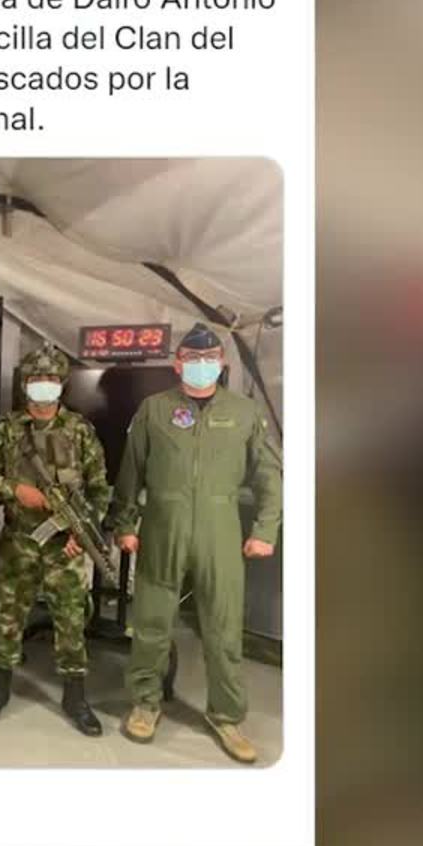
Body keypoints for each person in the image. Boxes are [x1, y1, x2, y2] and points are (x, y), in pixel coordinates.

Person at [110, 323, 281, 761]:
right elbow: (131, 471)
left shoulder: (244, 413)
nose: (201, 365)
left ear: (221, 363)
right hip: (162, 525)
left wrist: (265, 531)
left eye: (208, 358)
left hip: (219, 528)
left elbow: (269, 475)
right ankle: (146, 703)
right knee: (151, 621)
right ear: (177, 364)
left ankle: (226, 715)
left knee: (223, 627)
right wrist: (125, 523)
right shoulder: (154, 409)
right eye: (192, 358)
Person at [0, 344, 112, 736]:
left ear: (62, 383)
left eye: (51, 378)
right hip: (19, 541)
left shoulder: (80, 431)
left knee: (71, 620)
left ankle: (75, 696)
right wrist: (15, 490)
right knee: (8, 616)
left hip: (65, 547)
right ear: (25, 383)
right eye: (36, 378)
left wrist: (82, 534)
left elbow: (99, 489)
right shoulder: (7, 429)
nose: (43, 384)